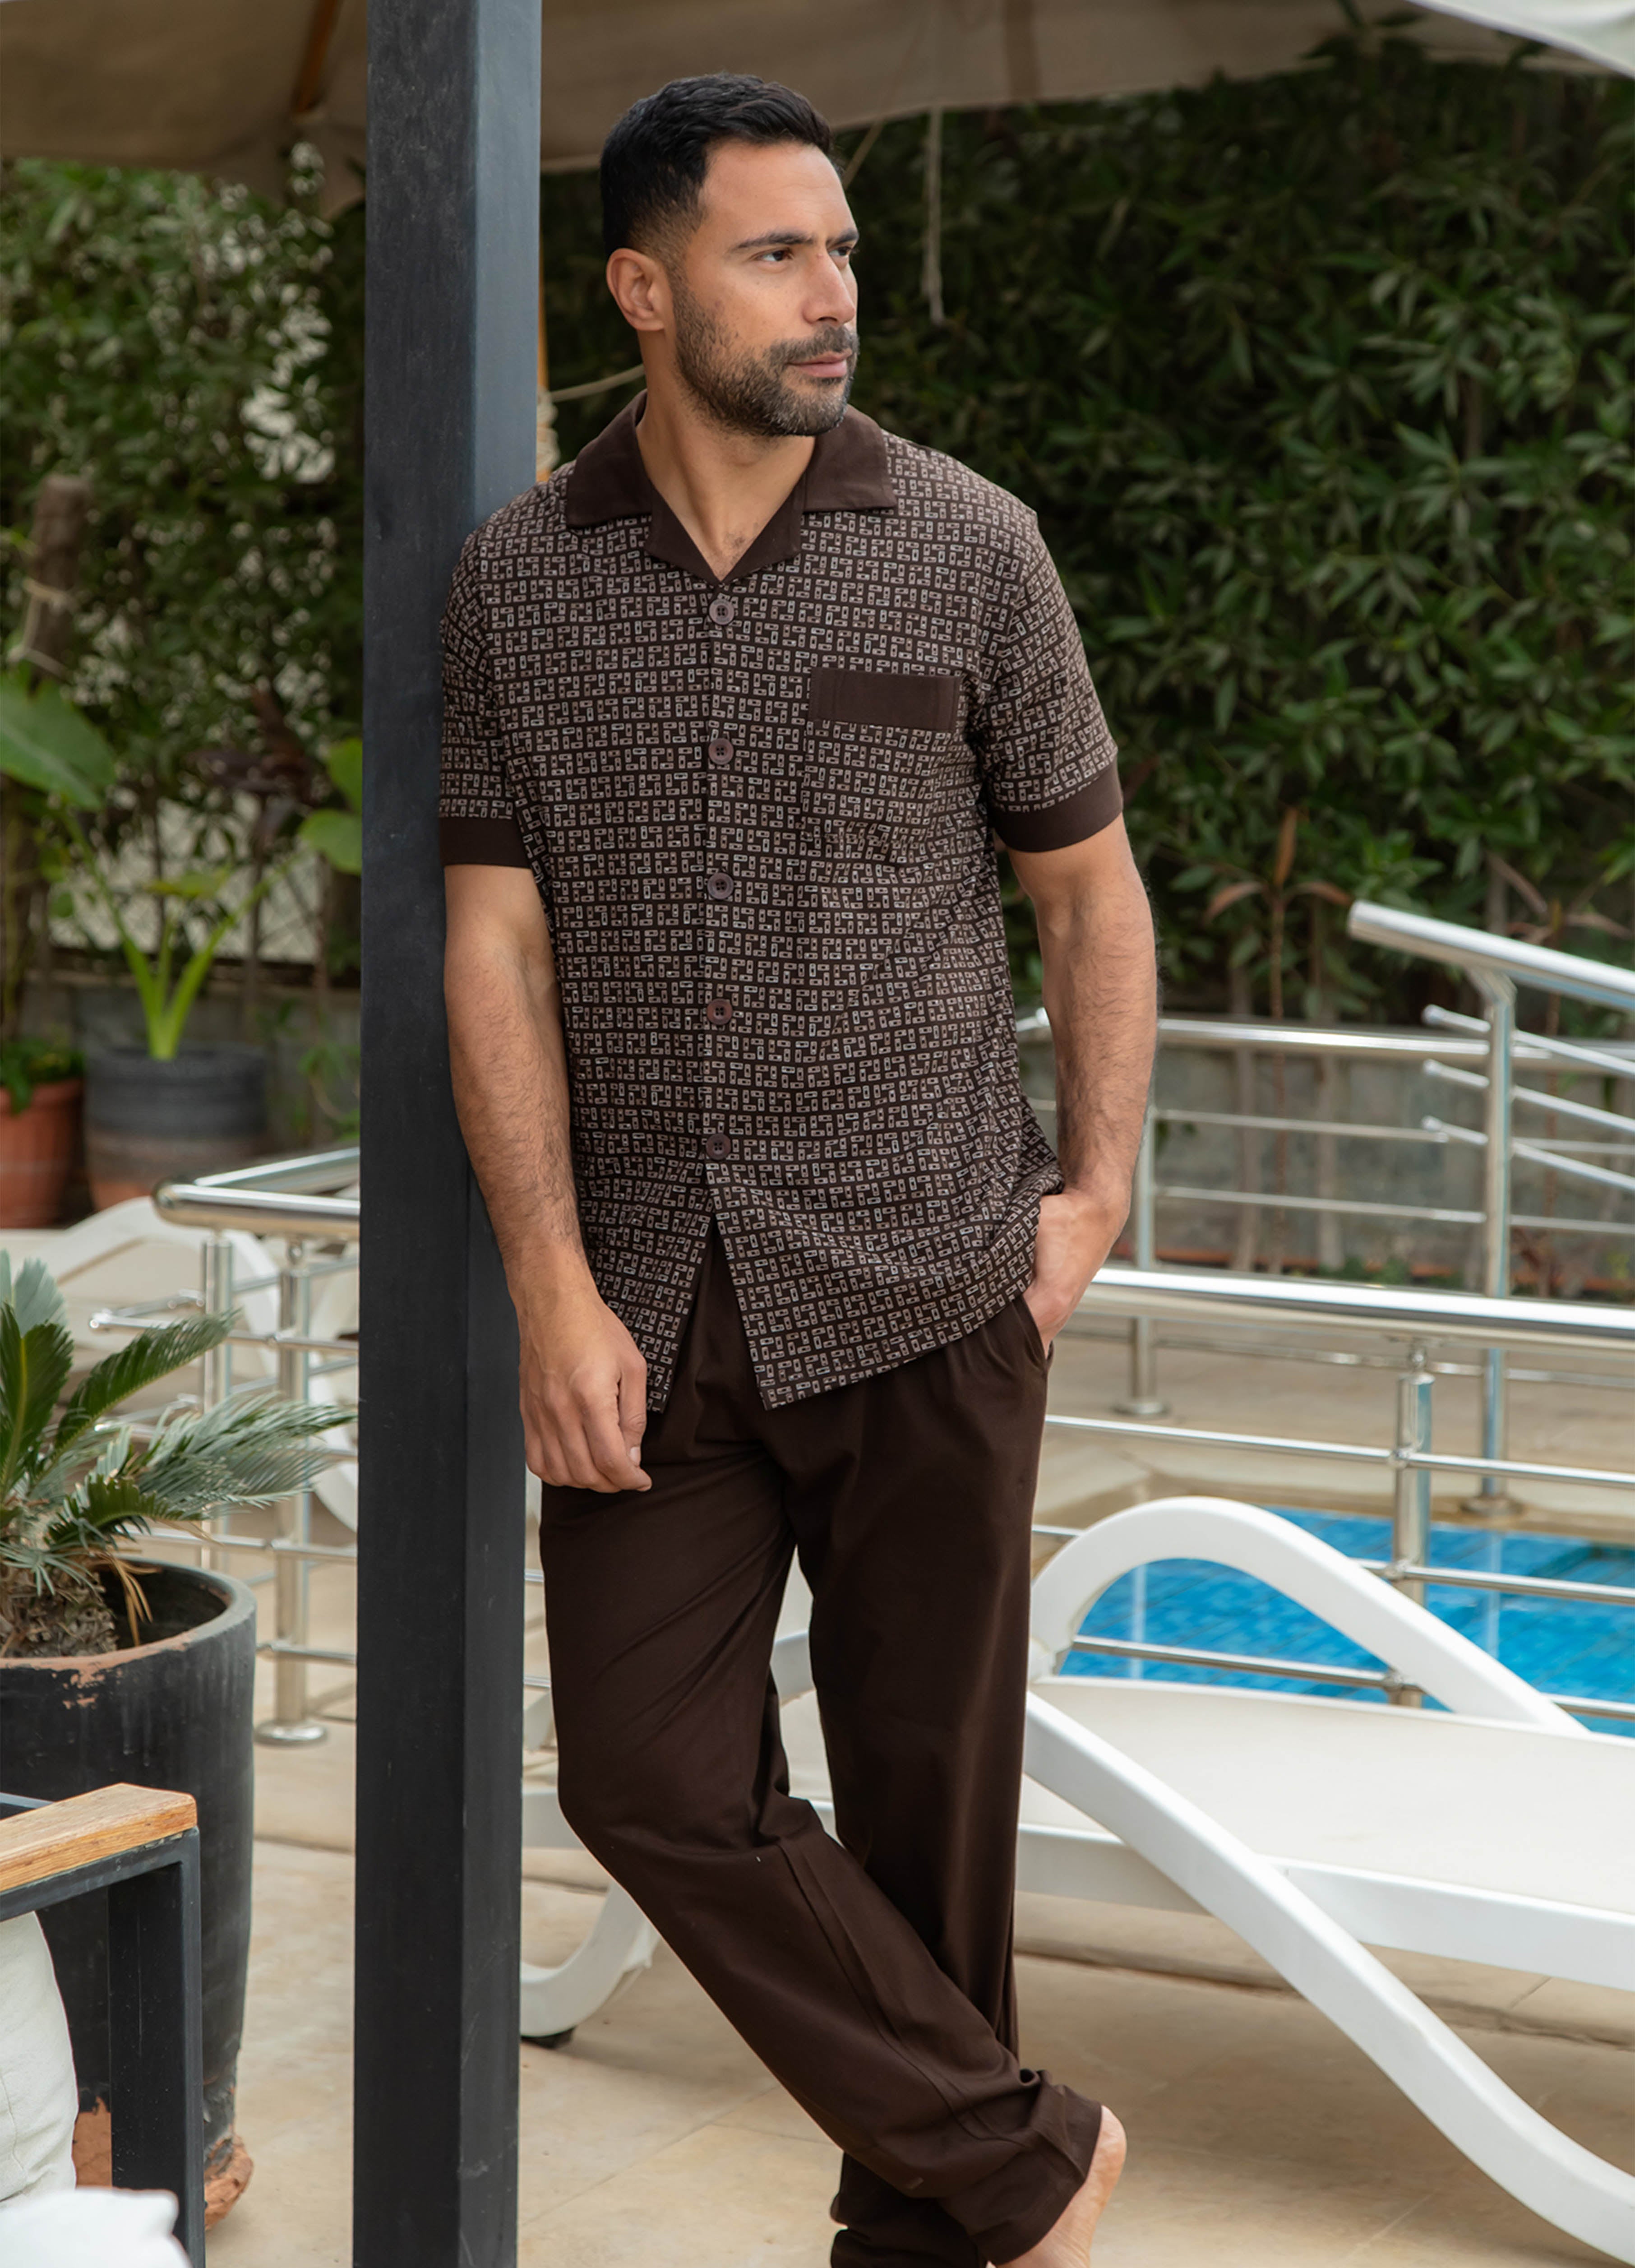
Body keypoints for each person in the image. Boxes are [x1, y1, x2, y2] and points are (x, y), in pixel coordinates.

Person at [440, 74, 1155, 2267]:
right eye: (776, 253)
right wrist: (549, 1287)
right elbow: (495, 942)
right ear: (645, 287)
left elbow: (1091, 894)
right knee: (648, 1781)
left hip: (934, 1275)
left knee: (932, 1813)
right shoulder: (522, 580)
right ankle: (1028, 2163)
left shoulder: (970, 544)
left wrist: (1092, 1201)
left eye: (839, 248)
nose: (832, 292)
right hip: (650, 1303)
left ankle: (928, 2230)